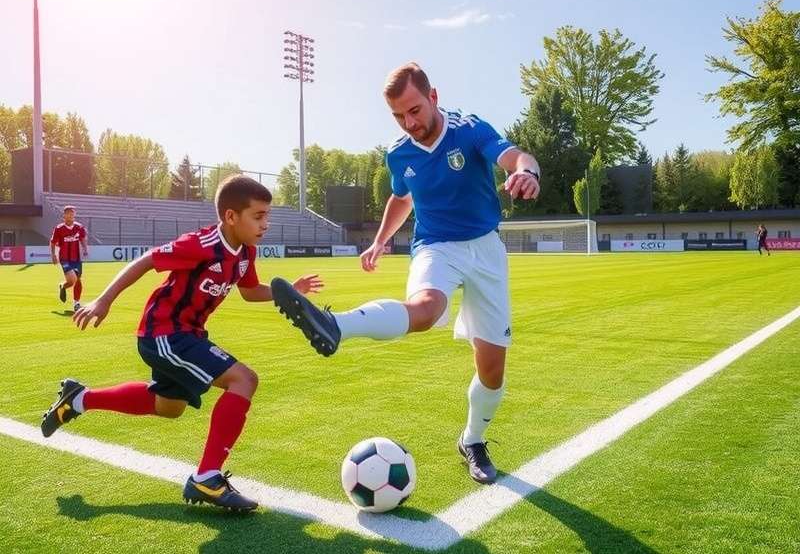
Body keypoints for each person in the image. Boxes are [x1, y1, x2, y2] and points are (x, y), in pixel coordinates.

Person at [271, 62, 540, 484]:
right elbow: (402, 198)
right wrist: (380, 240)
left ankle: (472, 439)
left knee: (492, 371)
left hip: (486, 250)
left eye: (414, 110)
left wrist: (526, 172)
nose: (409, 123)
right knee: (427, 308)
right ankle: (333, 324)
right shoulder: (399, 153)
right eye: (399, 116)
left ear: (433, 97)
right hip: (435, 246)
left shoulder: (469, 130)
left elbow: (516, 157)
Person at [40, 175, 323, 511]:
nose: (266, 224)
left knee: (168, 407)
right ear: (231, 216)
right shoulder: (200, 245)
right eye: (258, 216)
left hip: (186, 334)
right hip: (164, 332)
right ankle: (207, 478)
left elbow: (249, 292)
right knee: (244, 379)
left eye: (267, 216)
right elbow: (146, 261)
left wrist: (287, 290)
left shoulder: (246, 251)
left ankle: (79, 399)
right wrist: (103, 300)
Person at [50, 205, 89, 311]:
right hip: (64, 258)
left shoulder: (79, 227)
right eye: (68, 214)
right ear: (64, 215)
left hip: (76, 258)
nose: (71, 216)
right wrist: (53, 255)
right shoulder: (59, 228)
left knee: (76, 281)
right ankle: (75, 301)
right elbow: (53, 242)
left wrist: (85, 249)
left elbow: (83, 238)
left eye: (72, 214)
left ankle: (75, 301)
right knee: (73, 279)